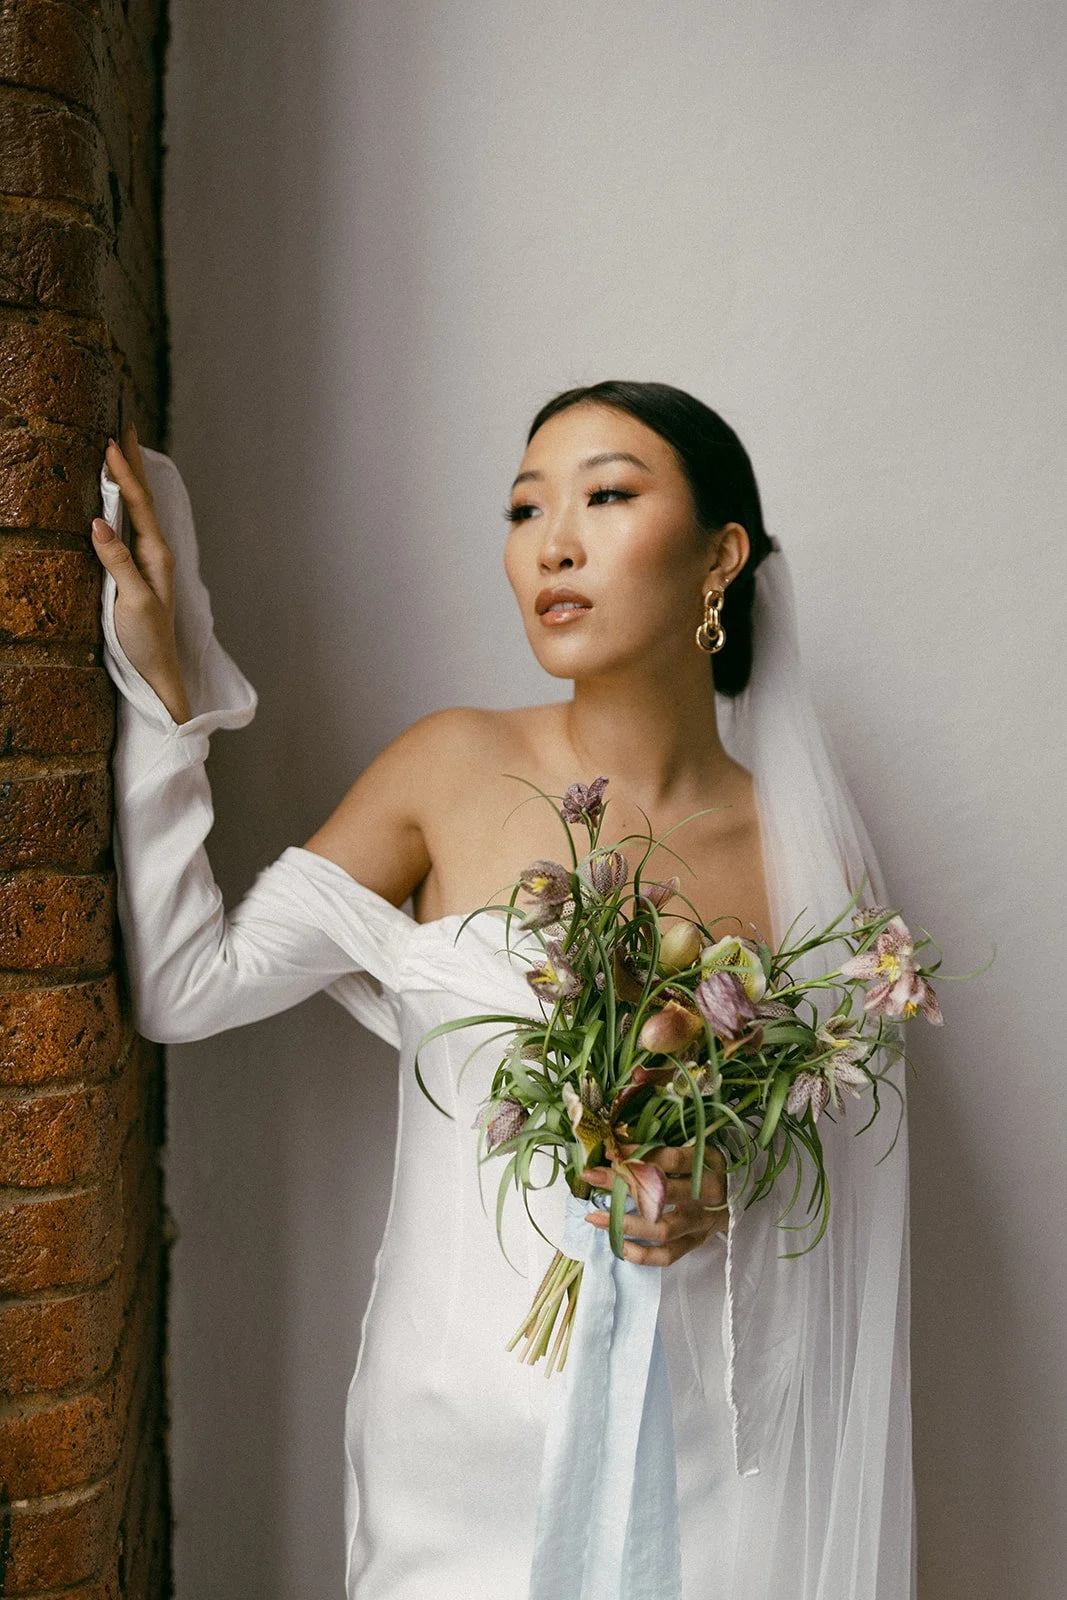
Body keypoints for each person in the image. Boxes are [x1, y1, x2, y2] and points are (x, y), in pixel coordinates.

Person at [90, 380, 915, 1599]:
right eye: (524, 508)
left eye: (607, 495)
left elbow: (844, 1175)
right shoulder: (453, 767)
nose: (553, 542)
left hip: (718, 1462)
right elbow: (184, 986)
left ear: (719, 556)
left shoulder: (802, 851)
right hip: (458, 1442)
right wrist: (169, 705)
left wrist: (711, 1185)